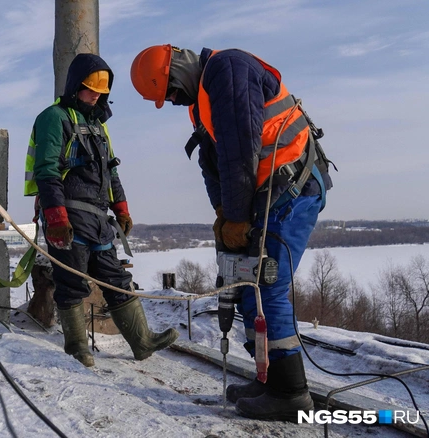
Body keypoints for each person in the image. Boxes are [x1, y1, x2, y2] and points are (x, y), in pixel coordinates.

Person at [130, 45, 333, 420]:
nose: (174, 101)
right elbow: (213, 163)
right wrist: (224, 212)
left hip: (292, 189)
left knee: (267, 286)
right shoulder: (201, 100)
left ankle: (291, 393)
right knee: (246, 286)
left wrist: (238, 218)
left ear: (177, 72)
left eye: (171, 92)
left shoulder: (228, 70)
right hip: (266, 195)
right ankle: (269, 378)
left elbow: (240, 152)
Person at [25, 53, 179, 367]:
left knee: (116, 279)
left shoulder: (96, 125)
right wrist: (55, 217)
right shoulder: (54, 118)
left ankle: (142, 341)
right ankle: (78, 349)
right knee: (71, 282)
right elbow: (46, 170)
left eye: (101, 90)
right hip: (68, 214)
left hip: (97, 217)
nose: (96, 94)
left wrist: (121, 209)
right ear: (74, 85)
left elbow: (111, 172)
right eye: (90, 88)